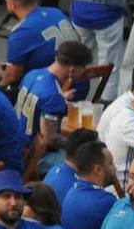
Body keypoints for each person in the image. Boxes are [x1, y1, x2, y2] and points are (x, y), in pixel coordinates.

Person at [15, 39, 93, 178]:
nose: (82, 73)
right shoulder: (52, 96)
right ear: (72, 69)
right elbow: (50, 138)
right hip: (33, 158)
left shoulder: (32, 74)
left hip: (17, 145)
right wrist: (81, 146)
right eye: (82, 68)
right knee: (89, 162)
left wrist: (61, 97)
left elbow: (38, 99)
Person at [0, 0, 77, 89]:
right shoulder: (56, 12)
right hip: (78, 82)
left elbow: (12, 76)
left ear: (12, 4)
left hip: (49, 90)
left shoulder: (20, 32)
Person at [61, 141, 118, 229]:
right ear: (98, 169)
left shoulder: (72, 192)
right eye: (111, 163)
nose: (115, 168)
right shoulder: (105, 201)